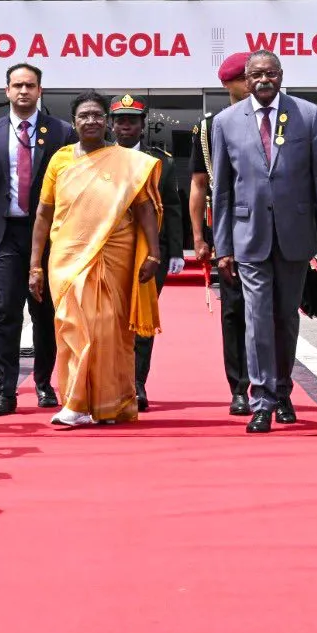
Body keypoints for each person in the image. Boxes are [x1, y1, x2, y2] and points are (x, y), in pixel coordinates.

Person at [210, 51, 317, 433]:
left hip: (296, 235)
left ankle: (283, 391)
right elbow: (222, 192)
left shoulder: (309, 115)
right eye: (256, 75)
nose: (263, 80)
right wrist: (224, 248)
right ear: (246, 80)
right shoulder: (225, 122)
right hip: (248, 236)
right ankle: (262, 398)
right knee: (256, 319)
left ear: (281, 76)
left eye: (270, 73)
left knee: (285, 319)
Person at [28, 92, 163, 426]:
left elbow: (145, 208)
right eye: (84, 116)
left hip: (115, 254)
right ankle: (75, 402)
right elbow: (44, 213)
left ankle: (109, 404)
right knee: (71, 327)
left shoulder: (128, 162)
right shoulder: (59, 159)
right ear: (74, 122)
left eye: (97, 115)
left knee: (108, 331)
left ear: (108, 121)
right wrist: (34, 263)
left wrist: (155, 253)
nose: (91, 121)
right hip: (67, 257)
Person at [0, 63, 74, 416]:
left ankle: (43, 383)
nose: (23, 91)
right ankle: (6, 390)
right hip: (3, 235)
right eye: (17, 85)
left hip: (50, 236)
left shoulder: (62, 132)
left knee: (45, 313)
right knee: (5, 311)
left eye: (30, 85)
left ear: (41, 90)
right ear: (6, 91)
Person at [109, 94, 185, 411]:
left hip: (151, 254)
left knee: (141, 322)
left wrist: (177, 251)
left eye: (132, 121)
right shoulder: (97, 158)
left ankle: (137, 383)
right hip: (109, 252)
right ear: (111, 125)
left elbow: (173, 206)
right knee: (109, 321)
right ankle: (110, 383)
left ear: (142, 126)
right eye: (120, 120)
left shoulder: (161, 162)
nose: (126, 126)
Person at [190, 52, 254, 415]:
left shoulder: (279, 118)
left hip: (270, 224)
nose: (253, 84)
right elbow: (199, 184)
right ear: (228, 83)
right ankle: (240, 387)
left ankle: (276, 384)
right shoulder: (209, 127)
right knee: (234, 310)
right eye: (244, 78)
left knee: (275, 312)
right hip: (229, 225)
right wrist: (199, 237)